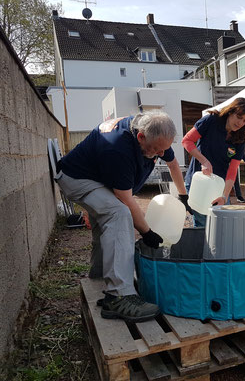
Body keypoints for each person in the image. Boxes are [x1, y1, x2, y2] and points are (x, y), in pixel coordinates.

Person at [56, 112, 192, 322]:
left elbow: (173, 164)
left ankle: (101, 276)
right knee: (117, 214)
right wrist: (146, 232)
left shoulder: (156, 134)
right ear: (141, 137)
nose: (160, 153)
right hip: (76, 178)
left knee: (108, 222)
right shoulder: (118, 147)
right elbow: (126, 200)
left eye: (163, 148)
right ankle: (118, 296)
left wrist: (183, 196)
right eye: (156, 150)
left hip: (96, 176)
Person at [182, 97, 245, 226]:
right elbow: (187, 141)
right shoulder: (211, 120)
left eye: (244, 121)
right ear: (230, 111)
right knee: (204, 224)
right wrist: (204, 161)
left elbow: (232, 171)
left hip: (219, 187)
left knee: (222, 225)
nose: (240, 123)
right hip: (199, 183)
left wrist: (224, 196)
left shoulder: (240, 138)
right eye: (239, 117)